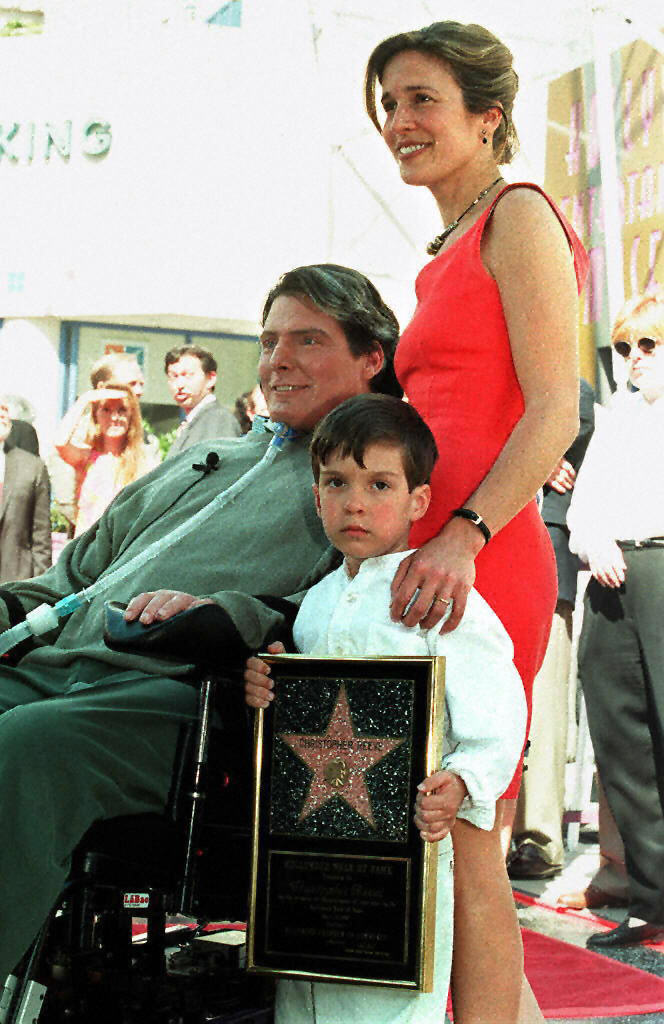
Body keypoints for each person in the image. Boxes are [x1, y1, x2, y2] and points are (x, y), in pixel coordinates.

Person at [0, 263, 400, 981]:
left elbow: (337, 606)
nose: (278, 359)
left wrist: (222, 614)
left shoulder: (362, 482)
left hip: (182, 697)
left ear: (371, 357)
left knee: (30, 744)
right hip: (57, 668)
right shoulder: (204, 461)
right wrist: (10, 605)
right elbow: (69, 579)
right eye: (270, 341)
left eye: (308, 340)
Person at [363, 21, 588, 1022]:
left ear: (487, 117)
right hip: (427, 560)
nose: (398, 121)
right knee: (442, 847)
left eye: (422, 99)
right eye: (388, 104)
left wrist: (464, 531)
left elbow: (554, 412)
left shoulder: (519, 215)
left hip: (483, 560)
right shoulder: (442, 250)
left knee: (468, 841)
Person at [245, 393, 527, 1024]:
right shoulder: (315, 603)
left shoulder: (435, 596)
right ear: (315, 495)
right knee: (304, 994)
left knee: (390, 1003)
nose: (355, 502)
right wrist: (270, 690)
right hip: (314, 859)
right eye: (336, 483)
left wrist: (464, 781)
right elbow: (301, 732)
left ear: (418, 501)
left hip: (407, 856)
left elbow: (497, 707)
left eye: (379, 484)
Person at [567, 292, 664, 948]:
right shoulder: (617, 418)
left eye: (648, 344)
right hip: (609, 581)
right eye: (624, 347)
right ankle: (651, 900)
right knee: (621, 745)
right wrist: (593, 539)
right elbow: (584, 506)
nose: (633, 358)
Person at [508, 379, 595, 880]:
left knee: (541, 705)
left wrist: (532, 454)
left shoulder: (563, 380)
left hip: (546, 558)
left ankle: (537, 837)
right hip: (482, 555)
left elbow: (572, 414)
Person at [54, 383, 160, 536]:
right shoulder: (86, 458)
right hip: (89, 546)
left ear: (132, 416)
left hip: (124, 545)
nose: (114, 417)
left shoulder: (145, 462)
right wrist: (85, 399)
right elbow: (59, 441)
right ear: (96, 416)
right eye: (106, 410)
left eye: (122, 410)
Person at [0, 397, 51, 582]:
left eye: (4, 409)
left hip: (14, 583)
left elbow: (41, 538)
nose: (3, 412)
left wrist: (39, 588)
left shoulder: (32, 467)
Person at [164, 344, 241, 456]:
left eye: (188, 375)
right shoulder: (193, 420)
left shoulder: (219, 420)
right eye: (174, 376)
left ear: (211, 379)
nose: (179, 385)